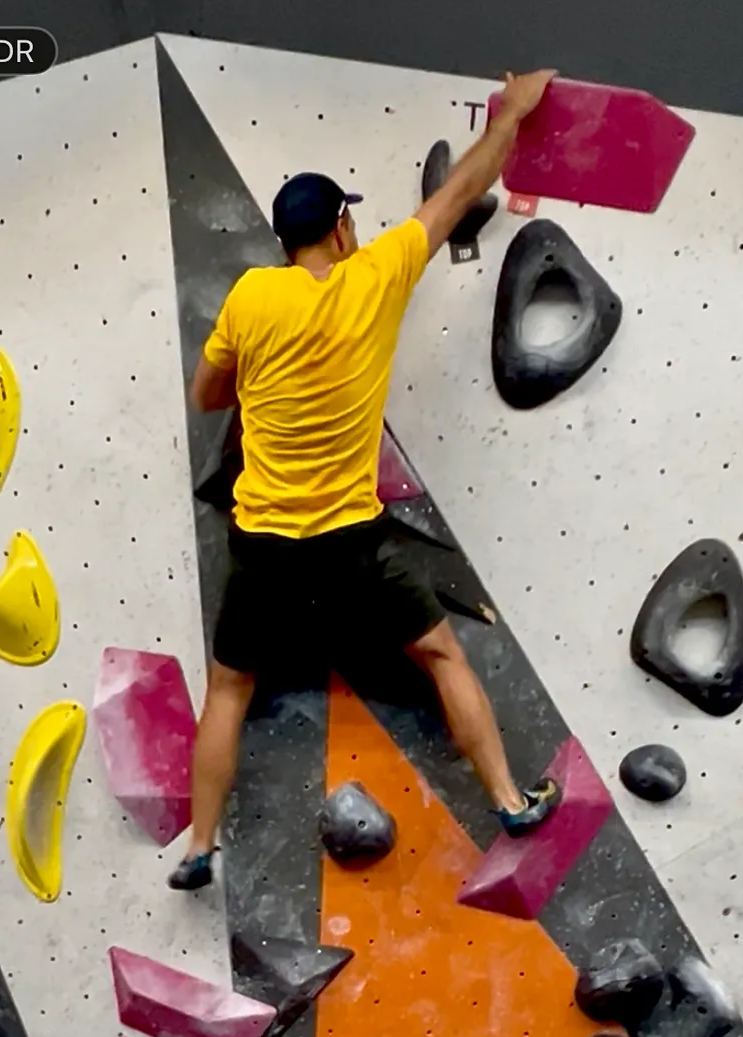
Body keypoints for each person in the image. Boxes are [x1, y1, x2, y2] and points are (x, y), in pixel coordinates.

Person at [170, 69, 561, 891]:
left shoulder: (252, 296)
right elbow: (459, 192)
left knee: (230, 686)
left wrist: (264, 377)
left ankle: (201, 846)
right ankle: (510, 798)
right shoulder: (375, 275)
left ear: (286, 241)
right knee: (441, 651)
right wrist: (513, 113)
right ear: (343, 229)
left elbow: (209, 395)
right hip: (349, 538)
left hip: (266, 541)